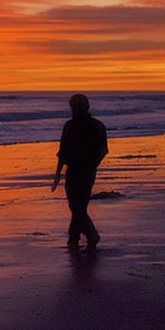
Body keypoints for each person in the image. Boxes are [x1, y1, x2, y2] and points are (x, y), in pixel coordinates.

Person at [50, 94, 108, 252]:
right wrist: (93, 164)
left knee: (77, 206)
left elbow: (62, 152)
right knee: (79, 205)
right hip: (87, 171)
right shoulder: (97, 125)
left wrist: (57, 173)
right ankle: (73, 236)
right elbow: (103, 150)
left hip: (76, 170)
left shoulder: (70, 125)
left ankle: (90, 234)